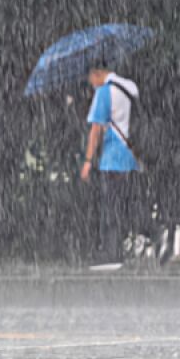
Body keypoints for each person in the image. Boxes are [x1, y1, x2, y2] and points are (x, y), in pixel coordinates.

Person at [79, 64, 141, 270]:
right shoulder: (130, 86)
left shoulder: (105, 92)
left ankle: (111, 252)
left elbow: (95, 130)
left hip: (112, 157)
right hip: (131, 156)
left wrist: (87, 162)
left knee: (110, 206)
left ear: (97, 72)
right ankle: (126, 246)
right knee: (124, 204)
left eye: (90, 78)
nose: (91, 84)